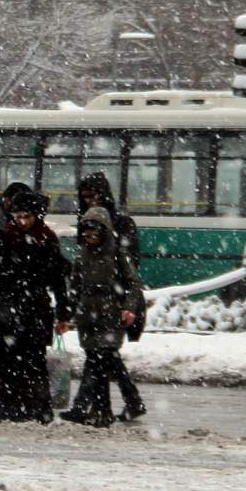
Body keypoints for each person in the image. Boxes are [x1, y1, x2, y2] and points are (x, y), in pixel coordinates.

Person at [61, 206, 146, 428]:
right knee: (105, 361)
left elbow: (134, 284)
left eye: (93, 234)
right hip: (87, 318)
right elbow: (75, 287)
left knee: (99, 361)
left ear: (104, 232)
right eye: (86, 235)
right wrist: (65, 314)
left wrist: (128, 307)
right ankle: (126, 403)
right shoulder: (82, 255)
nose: (89, 239)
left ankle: (96, 409)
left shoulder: (117, 254)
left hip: (109, 316)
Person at [0, 184, 70, 423]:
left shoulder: (46, 239)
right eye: (18, 216)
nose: (22, 221)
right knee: (8, 359)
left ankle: (38, 406)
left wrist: (63, 311)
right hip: (10, 308)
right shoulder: (6, 237)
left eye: (27, 216)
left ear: (36, 216)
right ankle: (9, 405)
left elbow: (57, 279)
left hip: (35, 309)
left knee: (34, 360)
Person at [75, 173, 147, 418]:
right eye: (85, 198)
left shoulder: (121, 225)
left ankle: (87, 407)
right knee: (104, 357)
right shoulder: (85, 223)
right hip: (92, 305)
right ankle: (120, 403)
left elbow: (131, 271)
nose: (89, 203)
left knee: (101, 355)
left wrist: (124, 301)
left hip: (112, 302)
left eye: (93, 197)